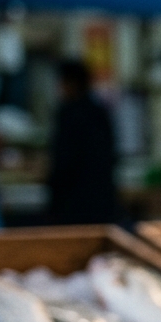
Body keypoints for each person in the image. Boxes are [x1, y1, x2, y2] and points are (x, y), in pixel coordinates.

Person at [46, 59, 120, 225]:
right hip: (103, 205)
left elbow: (63, 163)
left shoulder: (68, 115)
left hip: (73, 207)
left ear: (71, 84)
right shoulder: (100, 113)